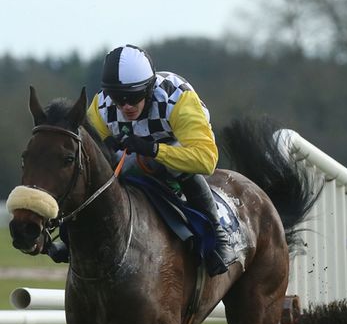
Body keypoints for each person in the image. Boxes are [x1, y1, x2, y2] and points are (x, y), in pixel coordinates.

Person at [46, 44, 237, 276]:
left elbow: (206, 160)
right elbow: (88, 153)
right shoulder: (102, 105)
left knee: (168, 164)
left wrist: (155, 150)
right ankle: (69, 236)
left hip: (176, 148)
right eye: (118, 97)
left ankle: (219, 236)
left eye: (133, 97)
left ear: (148, 88)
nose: (125, 106)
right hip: (134, 153)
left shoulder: (177, 100)